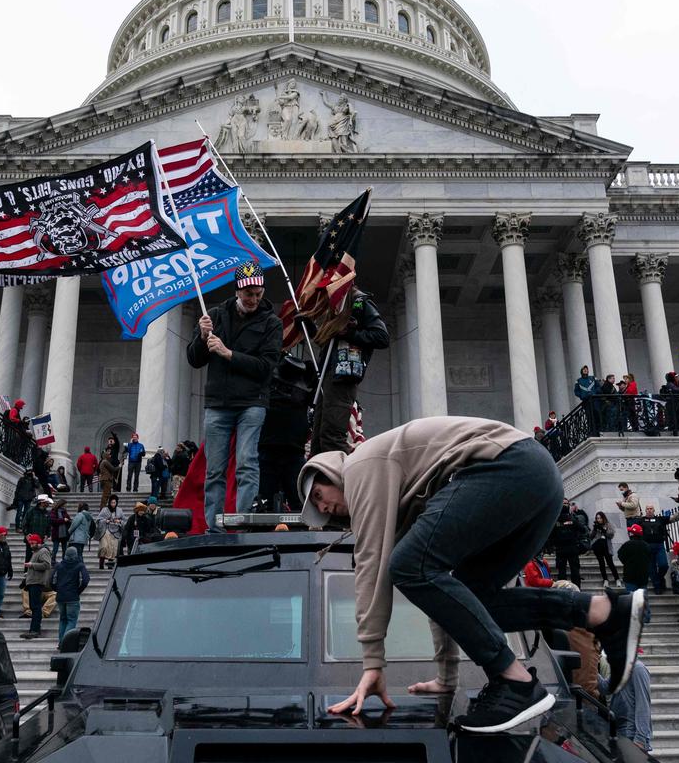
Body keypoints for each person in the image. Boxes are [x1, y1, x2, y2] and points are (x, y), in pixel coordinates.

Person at [298, 417, 645, 732]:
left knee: (406, 566)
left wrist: (372, 662)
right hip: (536, 479)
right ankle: (603, 612)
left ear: (331, 473)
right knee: (470, 596)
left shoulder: (361, 466)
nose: (325, 508)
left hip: (508, 467)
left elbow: (372, 566)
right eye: (319, 511)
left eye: (319, 496)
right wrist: (447, 678)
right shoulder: (400, 495)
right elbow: (443, 596)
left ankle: (516, 682)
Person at [187, 262, 282, 533]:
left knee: (246, 463)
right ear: (238, 291)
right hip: (218, 403)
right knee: (214, 470)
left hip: (252, 402)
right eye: (248, 293)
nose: (253, 299)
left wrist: (229, 354)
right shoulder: (215, 316)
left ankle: (242, 525)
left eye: (258, 293)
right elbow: (194, 359)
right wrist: (202, 336)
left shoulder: (271, 323)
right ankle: (214, 529)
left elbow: (266, 368)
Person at [309, 287, 389, 456]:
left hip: (344, 377)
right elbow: (327, 341)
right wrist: (309, 327)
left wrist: (349, 332)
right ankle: (320, 478)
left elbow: (381, 337)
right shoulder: (334, 305)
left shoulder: (359, 302)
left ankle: (342, 478)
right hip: (328, 376)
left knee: (332, 437)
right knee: (318, 440)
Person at [258, 354, 316, 511]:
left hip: (291, 451)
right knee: (265, 501)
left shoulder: (306, 387)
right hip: (270, 448)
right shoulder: (269, 383)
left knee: (298, 502)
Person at [598, 659, 652, 752]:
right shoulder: (622, 668)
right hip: (619, 731)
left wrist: (640, 740)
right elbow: (605, 687)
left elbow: (643, 705)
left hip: (631, 734)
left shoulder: (638, 669)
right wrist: (590, 661)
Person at [52, 546, 90, 645]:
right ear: (75, 555)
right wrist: (78, 591)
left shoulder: (58, 565)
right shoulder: (79, 566)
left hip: (60, 597)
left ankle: (61, 643)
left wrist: (56, 589)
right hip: (73, 597)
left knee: (63, 620)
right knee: (71, 620)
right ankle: (66, 644)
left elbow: (50, 580)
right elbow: (85, 580)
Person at [21, 533, 51, 640]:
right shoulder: (36, 552)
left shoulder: (43, 551)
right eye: (30, 543)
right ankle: (32, 629)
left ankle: (35, 630)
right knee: (34, 607)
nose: (31, 545)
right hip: (33, 582)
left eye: (33, 543)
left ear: (38, 542)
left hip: (37, 583)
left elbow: (47, 565)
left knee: (36, 607)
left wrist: (31, 565)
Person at [550, 502, 583, 589]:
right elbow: (582, 529)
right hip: (572, 548)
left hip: (560, 550)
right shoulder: (572, 519)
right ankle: (577, 589)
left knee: (562, 571)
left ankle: (563, 591)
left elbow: (551, 535)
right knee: (575, 570)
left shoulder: (555, 521)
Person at [640, 505, 670, 594]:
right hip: (647, 546)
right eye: (647, 509)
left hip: (659, 545)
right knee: (651, 569)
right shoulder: (641, 520)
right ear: (645, 511)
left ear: (654, 510)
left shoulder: (660, 519)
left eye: (651, 509)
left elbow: (674, 518)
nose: (649, 510)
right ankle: (657, 586)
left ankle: (660, 578)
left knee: (664, 565)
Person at [618, 524, 651, 595]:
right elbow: (649, 558)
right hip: (643, 578)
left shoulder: (627, 545)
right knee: (642, 601)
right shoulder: (646, 545)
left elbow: (620, 555)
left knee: (631, 601)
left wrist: (627, 563)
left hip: (630, 577)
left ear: (632, 534)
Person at [590, 512, 620, 586]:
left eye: (600, 518)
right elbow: (591, 536)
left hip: (606, 546)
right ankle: (605, 579)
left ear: (603, 518)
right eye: (597, 518)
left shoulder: (608, 524)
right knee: (601, 564)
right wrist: (595, 529)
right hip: (598, 547)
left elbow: (611, 534)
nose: (599, 520)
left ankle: (617, 579)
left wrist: (604, 530)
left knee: (610, 563)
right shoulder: (596, 526)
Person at [22, 495, 52, 563]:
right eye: (46, 503)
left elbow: (49, 526)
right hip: (31, 540)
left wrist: (47, 535)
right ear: (41, 502)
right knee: (29, 557)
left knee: (40, 558)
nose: (47, 504)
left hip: (41, 540)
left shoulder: (47, 513)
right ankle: (27, 572)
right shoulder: (31, 511)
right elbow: (24, 524)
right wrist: (26, 534)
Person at [97, 494, 124, 570]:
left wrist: (119, 521)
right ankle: (101, 565)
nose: (113, 504)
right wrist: (106, 520)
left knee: (113, 548)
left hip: (116, 531)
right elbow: (98, 519)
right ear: (109, 502)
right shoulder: (104, 510)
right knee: (104, 547)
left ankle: (110, 565)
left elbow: (124, 521)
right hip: (106, 530)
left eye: (114, 502)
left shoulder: (120, 510)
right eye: (111, 502)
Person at [48, 498, 71, 563]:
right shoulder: (54, 511)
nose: (65, 506)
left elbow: (69, 519)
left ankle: (64, 561)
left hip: (64, 534)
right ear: (61, 504)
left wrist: (68, 520)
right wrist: (63, 520)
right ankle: (53, 561)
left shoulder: (64, 511)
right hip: (56, 533)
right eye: (64, 505)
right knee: (55, 549)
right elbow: (53, 521)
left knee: (64, 549)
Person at [98, 441, 118, 509]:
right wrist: (120, 466)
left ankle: (104, 508)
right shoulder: (105, 461)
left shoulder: (103, 462)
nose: (110, 456)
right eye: (109, 455)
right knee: (106, 495)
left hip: (105, 480)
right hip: (106, 480)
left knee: (107, 494)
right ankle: (102, 508)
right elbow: (113, 469)